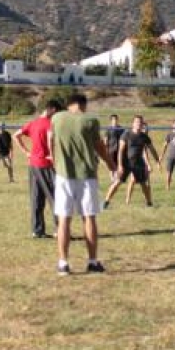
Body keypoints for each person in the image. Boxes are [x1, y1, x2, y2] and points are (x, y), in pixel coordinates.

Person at [50, 92, 116, 275]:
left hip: (63, 175)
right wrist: (112, 165)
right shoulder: (91, 121)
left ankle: (63, 263)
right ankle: (92, 261)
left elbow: (52, 140)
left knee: (64, 220)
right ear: (83, 105)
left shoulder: (57, 118)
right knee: (89, 218)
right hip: (87, 176)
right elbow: (100, 147)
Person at [14, 99, 63, 238]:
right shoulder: (50, 124)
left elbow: (16, 135)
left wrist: (26, 153)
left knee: (36, 197)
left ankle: (37, 230)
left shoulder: (33, 123)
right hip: (46, 165)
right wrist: (53, 157)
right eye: (56, 113)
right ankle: (59, 230)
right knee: (55, 197)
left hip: (33, 165)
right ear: (52, 109)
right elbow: (50, 139)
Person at [103, 115, 160, 208]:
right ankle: (106, 202)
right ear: (133, 124)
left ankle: (149, 203)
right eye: (137, 122)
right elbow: (120, 151)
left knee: (144, 184)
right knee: (117, 182)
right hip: (126, 163)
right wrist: (120, 165)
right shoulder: (126, 134)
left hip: (139, 164)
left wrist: (157, 160)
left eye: (140, 122)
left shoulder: (144, 137)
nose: (139, 124)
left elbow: (152, 149)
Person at [104, 115, 124, 182]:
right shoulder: (108, 129)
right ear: (111, 121)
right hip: (111, 149)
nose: (115, 121)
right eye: (113, 119)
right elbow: (106, 139)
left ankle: (117, 177)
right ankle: (112, 177)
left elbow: (124, 138)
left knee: (118, 163)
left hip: (118, 149)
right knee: (111, 164)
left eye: (116, 119)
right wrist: (106, 148)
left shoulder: (121, 129)